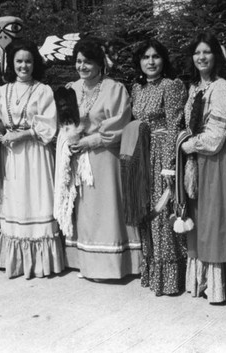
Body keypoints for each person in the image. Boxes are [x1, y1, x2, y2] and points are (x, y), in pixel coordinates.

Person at [62, 37, 142, 279]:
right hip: (79, 157)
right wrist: (71, 138)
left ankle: (112, 266)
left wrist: (90, 140)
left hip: (104, 155)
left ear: (99, 64)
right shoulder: (71, 89)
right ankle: (87, 264)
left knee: (107, 207)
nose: (82, 66)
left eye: (87, 62)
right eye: (78, 61)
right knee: (85, 209)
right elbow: (64, 120)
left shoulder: (114, 88)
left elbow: (119, 122)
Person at [0, 39, 64, 279]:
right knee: (16, 201)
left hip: (35, 154)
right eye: (19, 61)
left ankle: (42, 264)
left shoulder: (43, 90)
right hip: (12, 156)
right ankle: (17, 263)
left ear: (35, 63)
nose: (24, 66)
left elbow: (49, 126)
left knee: (37, 199)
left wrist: (23, 134)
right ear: (11, 64)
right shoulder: (2, 91)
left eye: (28, 61)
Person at [180, 32, 226, 304]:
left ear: (216, 56)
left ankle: (216, 287)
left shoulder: (221, 87)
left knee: (212, 221)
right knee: (197, 221)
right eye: (197, 53)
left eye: (207, 52)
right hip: (194, 164)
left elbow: (215, 137)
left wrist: (189, 145)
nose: (202, 57)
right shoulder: (194, 89)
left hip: (211, 162)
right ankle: (198, 281)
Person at [131, 39, 187, 295]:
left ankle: (170, 279)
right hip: (141, 155)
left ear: (163, 60)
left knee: (162, 212)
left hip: (163, 153)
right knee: (145, 212)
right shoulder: (137, 89)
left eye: (155, 57)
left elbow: (175, 125)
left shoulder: (171, 86)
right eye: (145, 57)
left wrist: (169, 167)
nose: (150, 62)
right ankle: (151, 271)